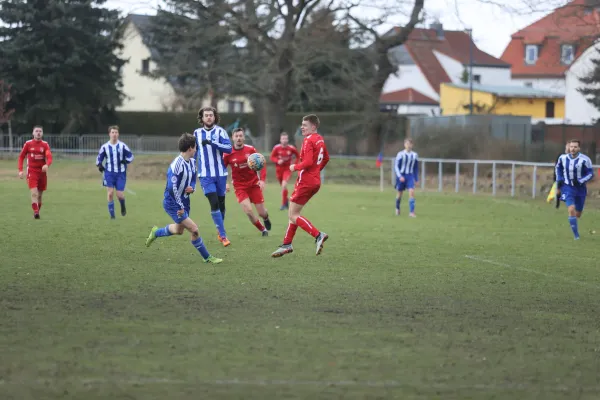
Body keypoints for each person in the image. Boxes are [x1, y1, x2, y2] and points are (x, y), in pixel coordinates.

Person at [145, 133, 222, 264]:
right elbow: (171, 188)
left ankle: (156, 232)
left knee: (178, 230)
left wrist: (192, 188)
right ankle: (207, 257)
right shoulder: (176, 165)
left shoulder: (192, 162)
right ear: (190, 148)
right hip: (173, 203)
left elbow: (192, 179)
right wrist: (180, 207)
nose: (196, 149)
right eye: (195, 147)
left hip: (184, 201)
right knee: (194, 229)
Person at [271, 114, 330, 258]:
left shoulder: (308, 140)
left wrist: (295, 167)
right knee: (293, 213)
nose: (302, 127)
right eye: (302, 125)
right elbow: (326, 158)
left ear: (314, 127)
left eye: (305, 125)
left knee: (293, 214)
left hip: (306, 181)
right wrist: (316, 172)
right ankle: (286, 244)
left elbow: (308, 162)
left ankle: (318, 235)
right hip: (315, 181)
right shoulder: (320, 139)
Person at [193, 107, 232, 247]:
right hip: (205, 175)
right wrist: (192, 169)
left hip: (220, 174)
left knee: (221, 204)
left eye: (211, 115)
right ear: (202, 118)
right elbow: (194, 153)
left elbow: (229, 148)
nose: (209, 117)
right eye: (206, 115)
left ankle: (219, 230)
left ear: (214, 117)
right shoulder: (196, 133)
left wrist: (213, 143)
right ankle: (223, 235)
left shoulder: (220, 132)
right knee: (214, 202)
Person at [223, 128, 272, 236]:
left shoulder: (250, 150)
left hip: (254, 184)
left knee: (261, 212)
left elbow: (262, 163)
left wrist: (262, 180)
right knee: (248, 211)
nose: (239, 138)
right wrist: (224, 182)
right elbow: (222, 168)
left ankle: (266, 218)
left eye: (241, 136)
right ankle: (262, 229)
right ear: (233, 138)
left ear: (244, 137)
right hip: (239, 186)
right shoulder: (228, 153)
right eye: (236, 136)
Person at [555, 139, 594, 240]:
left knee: (578, 214)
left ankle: (573, 222)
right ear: (569, 147)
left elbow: (590, 174)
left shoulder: (585, 160)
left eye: (575, 147)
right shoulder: (562, 158)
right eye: (571, 147)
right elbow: (558, 168)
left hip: (580, 189)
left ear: (579, 148)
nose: (573, 149)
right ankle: (576, 236)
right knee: (571, 209)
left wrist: (580, 181)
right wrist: (559, 179)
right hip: (567, 187)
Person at [96, 125, 134, 219]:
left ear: (118, 134)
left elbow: (131, 156)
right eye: (112, 132)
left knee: (120, 195)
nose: (114, 134)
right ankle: (112, 216)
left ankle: (122, 206)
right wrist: (99, 165)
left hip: (121, 173)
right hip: (109, 173)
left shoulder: (122, 146)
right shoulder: (105, 147)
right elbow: (99, 158)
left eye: (116, 132)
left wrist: (126, 161)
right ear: (109, 134)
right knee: (110, 193)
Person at [17, 125, 53, 219]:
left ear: (42, 133)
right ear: (33, 133)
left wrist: (47, 165)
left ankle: (37, 212)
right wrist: (20, 170)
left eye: (40, 131)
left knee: (40, 196)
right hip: (32, 172)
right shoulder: (28, 144)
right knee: (34, 193)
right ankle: (36, 212)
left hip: (42, 173)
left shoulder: (45, 145)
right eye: (36, 131)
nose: (38, 133)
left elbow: (49, 157)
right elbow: (21, 157)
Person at [270, 132, 299, 210]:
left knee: (284, 185)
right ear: (280, 140)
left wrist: (294, 165)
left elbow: (298, 156)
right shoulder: (276, 148)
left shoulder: (291, 148)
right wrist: (277, 160)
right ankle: (286, 202)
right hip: (279, 170)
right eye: (283, 138)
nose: (284, 140)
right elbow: (272, 157)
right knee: (283, 187)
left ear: (288, 139)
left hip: (287, 169)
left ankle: (283, 204)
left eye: (286, 138)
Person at [394, 138, 419, 217]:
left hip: (410, 176)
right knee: (399, 194)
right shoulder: (400, 154)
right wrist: (399, 176)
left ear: (412, 145)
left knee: (411, 192)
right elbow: (396, 166)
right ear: (404, 145)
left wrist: (416, 178)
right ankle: (397, 208)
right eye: (407, 144)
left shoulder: (415, 155)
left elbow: (416, 168)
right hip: (401, 176)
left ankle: (411, 212)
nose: (408, 145)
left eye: (410, 144)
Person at [548, 142, 569, 208]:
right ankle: (557, 204)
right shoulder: (561, 156)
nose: (569, 148)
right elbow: (556, 166)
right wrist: (555, 176)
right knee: (558, 190)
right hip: (561, 176)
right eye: (568, 146)